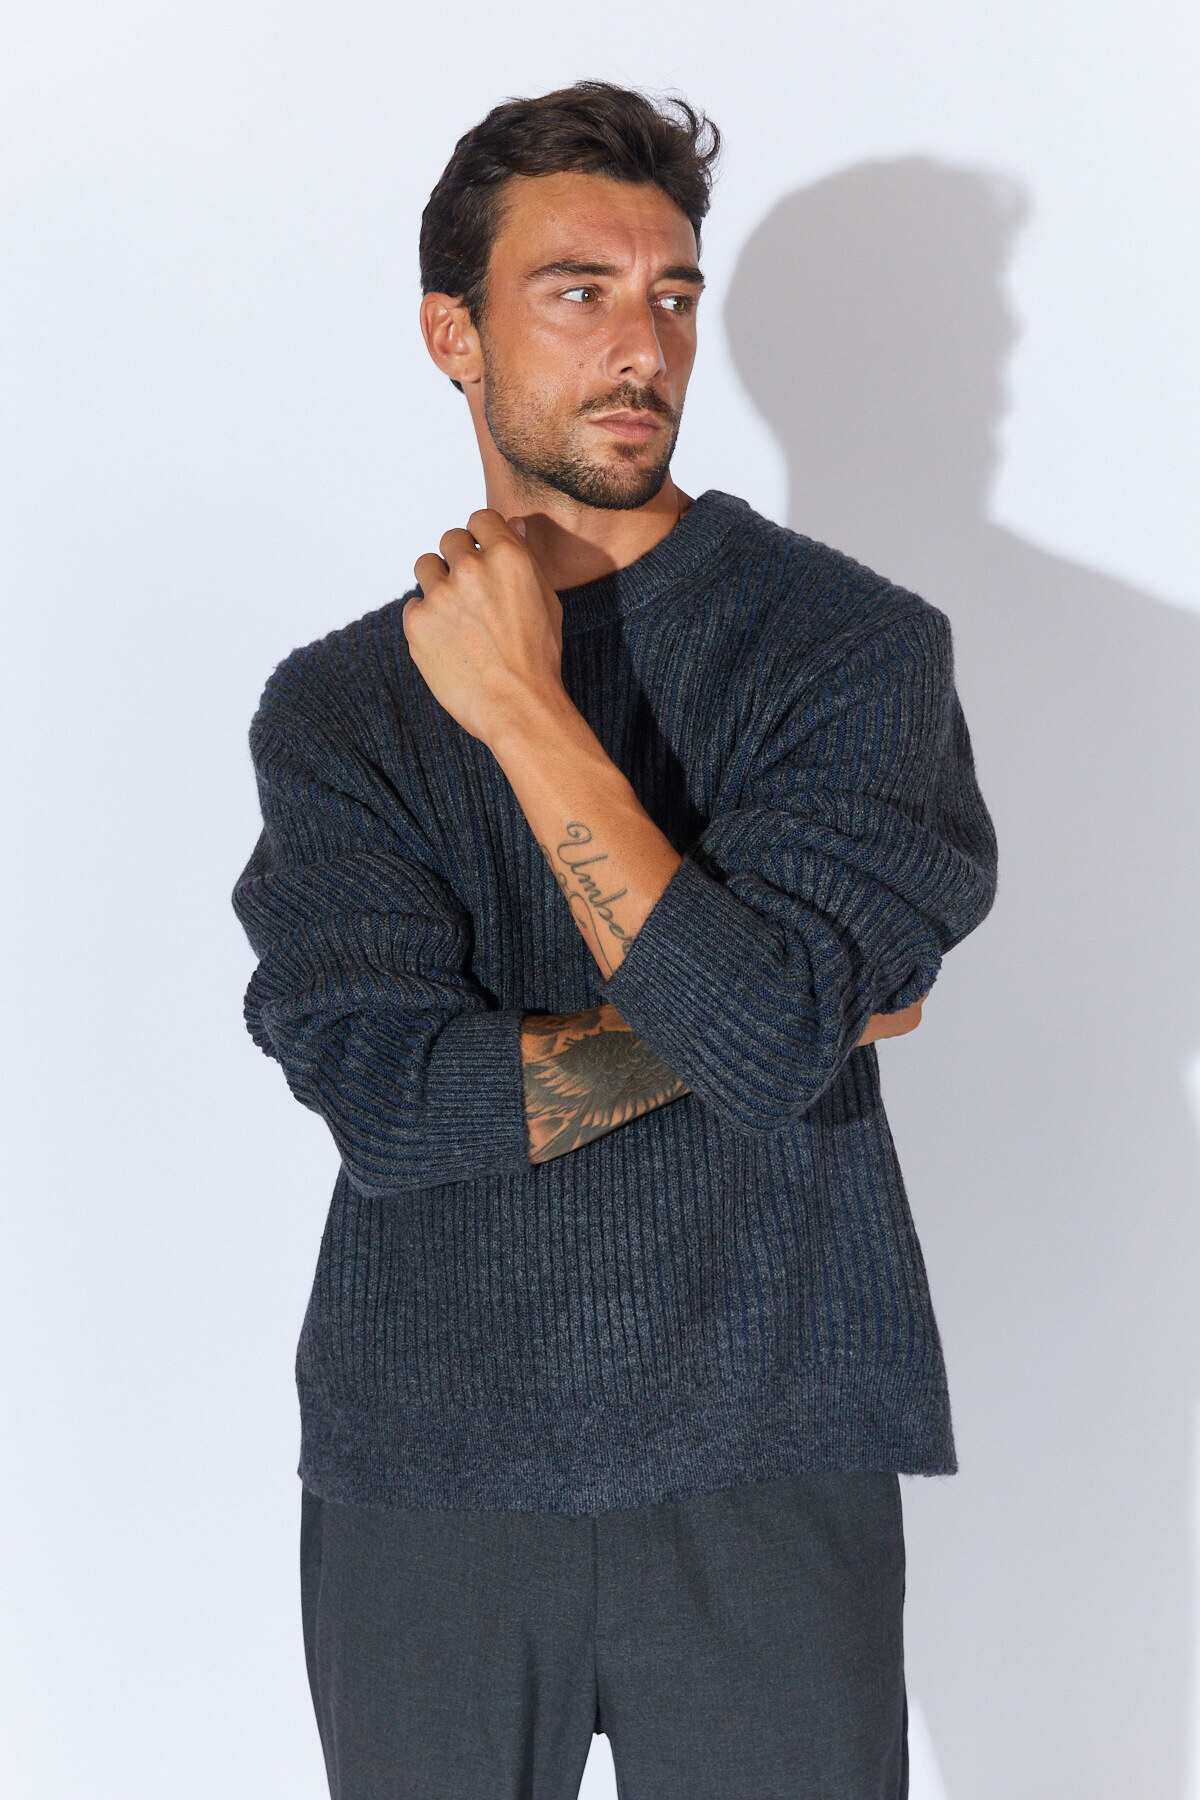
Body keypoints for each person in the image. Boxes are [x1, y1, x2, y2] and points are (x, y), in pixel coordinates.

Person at [232, 80, 998, 1800]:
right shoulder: (340, 710)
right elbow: (396, 1110)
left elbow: (757, 1040)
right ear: (454, 333)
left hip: (770, 1467)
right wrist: (782, 1014)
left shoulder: (853, 653)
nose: (641, 345)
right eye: (577, 291)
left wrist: (523, 710)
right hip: (424, 1485)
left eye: (672, 295)